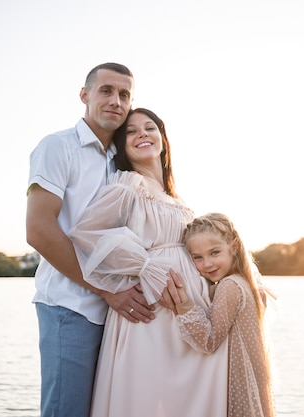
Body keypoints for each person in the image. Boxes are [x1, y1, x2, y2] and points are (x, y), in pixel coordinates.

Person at [69, 108, 228, 417]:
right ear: (123, 146)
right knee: (148, 395)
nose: (142, 133)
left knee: (190, 398)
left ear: (163, 139)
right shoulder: (128, 184)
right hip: (151, 313)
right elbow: (86, 234)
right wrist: (146, 266)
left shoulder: (177, 199)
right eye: (131, 131)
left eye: (149, 127)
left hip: (189, 313)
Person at [26, 63, 155, 417]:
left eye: (125, 95)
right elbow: (38, 230)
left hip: (116, 316)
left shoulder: (122, 161)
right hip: (70, 307)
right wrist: (106, 289)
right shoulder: (57, 147)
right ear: (85, 96)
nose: (116, 100)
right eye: (106, 91)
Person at [166, 212, 276, 417]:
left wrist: (184, 304)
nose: (207, 264)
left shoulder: (230, 285)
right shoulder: (246, 283)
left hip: (238, 386)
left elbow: (210, 340)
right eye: (197, 258)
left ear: (233, 247)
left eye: (214, 253)